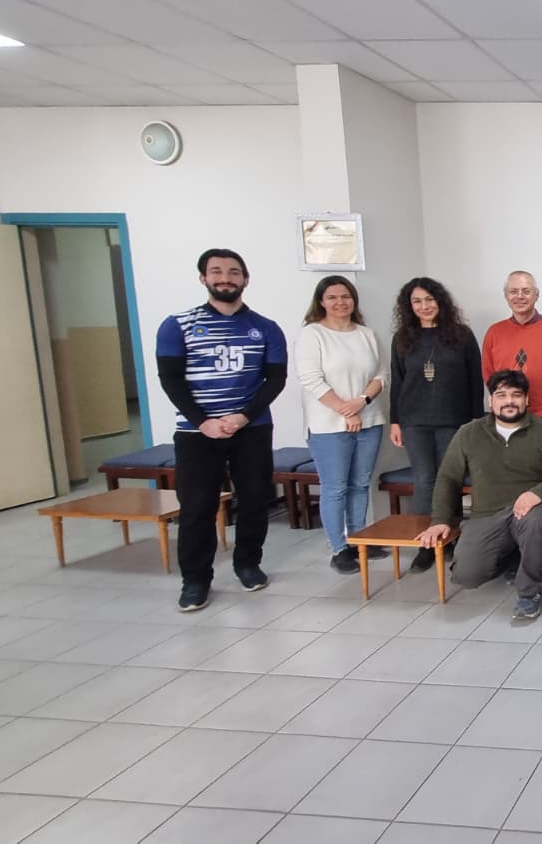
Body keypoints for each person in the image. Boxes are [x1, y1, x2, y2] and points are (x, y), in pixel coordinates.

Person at [156, 249, 287, 612]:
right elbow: (171, 380)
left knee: (255, 498)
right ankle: (195, 580)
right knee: (197, 505)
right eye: (216, 271)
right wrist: (203, 421)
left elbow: (275, 379)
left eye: (233, 272)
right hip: (196, 432)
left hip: (252, 428)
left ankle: (248, 563)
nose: (225, 278)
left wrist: (243, 416)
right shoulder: (177, 325)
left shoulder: (266, 327)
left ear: (245, 279)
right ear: (203, 278)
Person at [417, 370, 542, 622]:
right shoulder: (469, 433)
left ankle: (528, 593)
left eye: (516, 395)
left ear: (527, 400)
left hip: (532, 510)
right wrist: (439, 520)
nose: (509, 401)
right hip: (487, 513)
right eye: (501, 395)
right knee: (467, 577)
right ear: (491, 401)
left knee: (537, 523)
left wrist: (537, 494)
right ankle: (513, 556)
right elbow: (448, 477)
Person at [389, 277, 483, 573]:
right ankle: (426, 544)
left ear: (440, 301)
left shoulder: (461, 335)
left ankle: (450, 537)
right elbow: (397, 382)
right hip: (414, 422)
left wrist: (475, 421)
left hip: (453, 421)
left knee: (449, 479)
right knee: (424, 480)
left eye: (429, 299)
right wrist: (395, 421)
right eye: (417, 301)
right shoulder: (402, 338)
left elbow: (475, 380)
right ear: (409, 306)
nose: (424, 306)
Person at [297, 275, 389, 574]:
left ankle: (358, 539)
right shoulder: (312, 334)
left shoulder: (366, 334)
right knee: (335, 488)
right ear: (321, 302)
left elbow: (381, 375)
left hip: (369, 419)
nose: (340, 302)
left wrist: (361, 402)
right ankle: (339, 548)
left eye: (346, 296)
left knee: (360, 484)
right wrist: (345, 411)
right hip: (329, 425)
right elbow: (311, 379)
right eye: (333, 297)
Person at [481, 271, 542, 422]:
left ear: (537, 295)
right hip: (507, 416)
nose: (520, 296)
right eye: (513, 291)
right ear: (506, 296)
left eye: (526, 291)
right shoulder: (494, 332)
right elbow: (489, 375)